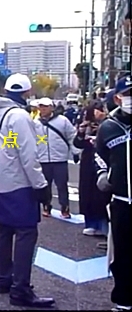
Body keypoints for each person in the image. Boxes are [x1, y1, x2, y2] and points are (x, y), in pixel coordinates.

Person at [0, 73, 54, 308]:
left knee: (4, 230)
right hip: (19, 183)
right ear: (27, 93)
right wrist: (41, 185)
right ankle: (21, 289)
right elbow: (28, 155)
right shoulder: (20, 116)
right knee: (26, 232)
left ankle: (3, 280)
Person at [95, 75, 131, 312]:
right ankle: (124, 300)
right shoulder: (108, 127)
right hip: (122, 201)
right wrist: (103, 175)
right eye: (128, 95)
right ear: (117, 98)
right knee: (123, 254)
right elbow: (100, 156)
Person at [34, 97, 79, 219]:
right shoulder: (35, 123)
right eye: (41, 106)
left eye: (46, 106)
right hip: (43, 159)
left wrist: (75, 152)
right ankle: (46, 206)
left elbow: (71, 136)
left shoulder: (62, 121)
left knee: (62, 185)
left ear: (52, 107)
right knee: (45, 185)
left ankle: (65, 208)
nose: (43, 109)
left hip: (60, 159)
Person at [74, 100, 110, 237]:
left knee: (102, 192)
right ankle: (90, 223)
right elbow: (78, 143)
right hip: (88, 161)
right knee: (87, 192)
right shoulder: (86, 125)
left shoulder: (109, 124)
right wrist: (81, 132)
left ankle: (104, 225)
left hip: (104, 160)